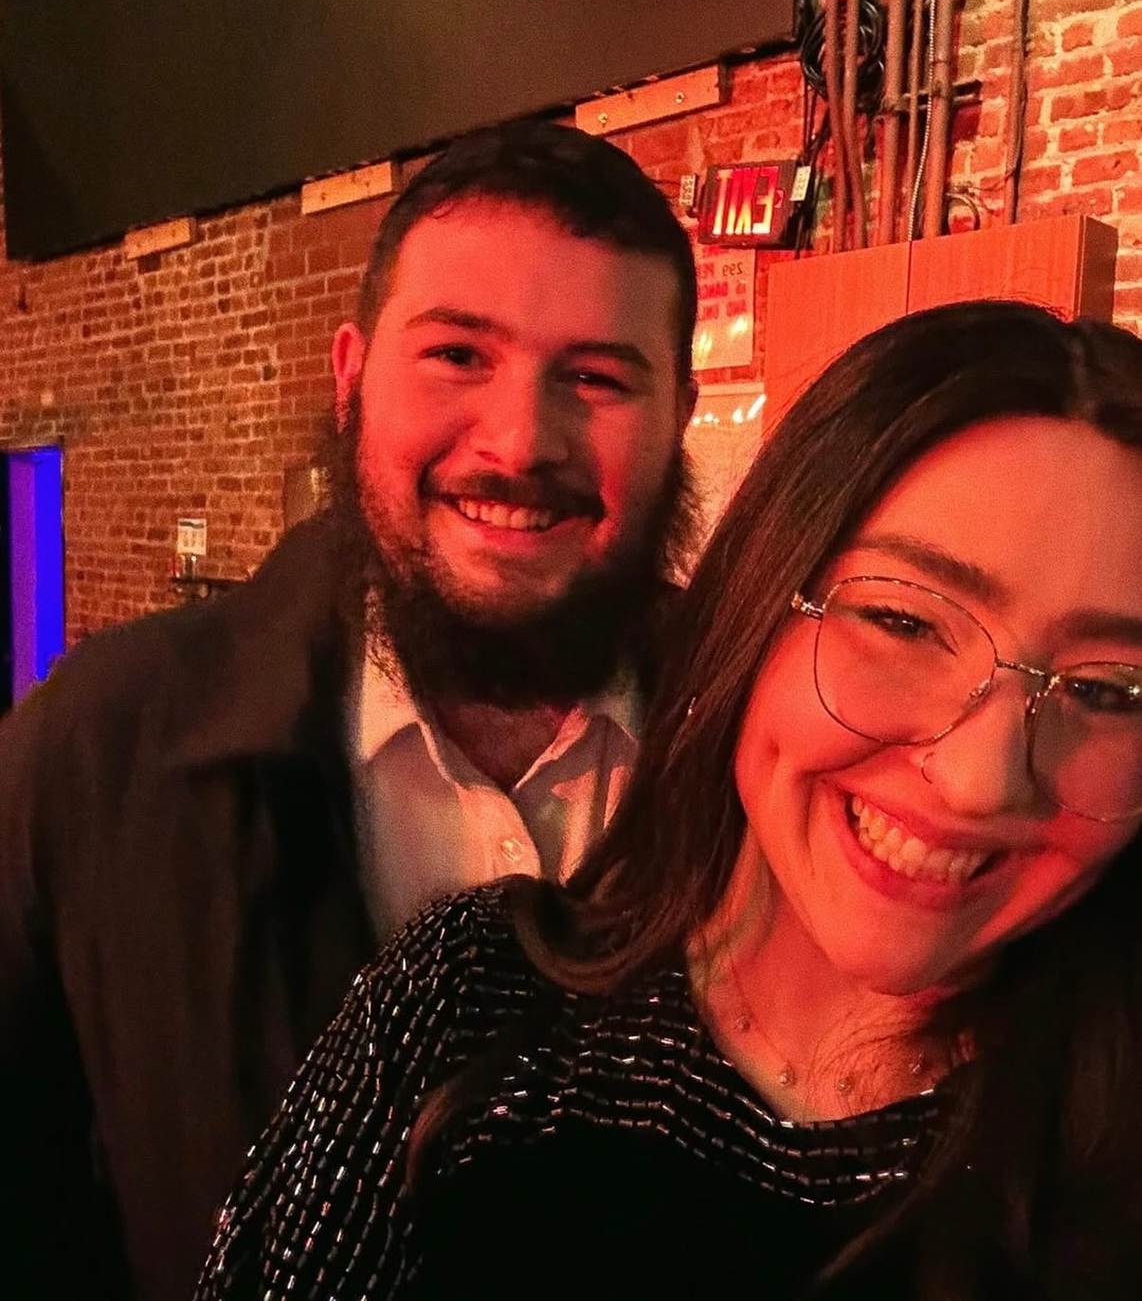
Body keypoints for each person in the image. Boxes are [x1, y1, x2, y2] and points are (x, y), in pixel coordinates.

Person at [197, 299, 1142, 1301]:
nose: (982, 777)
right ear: (755, 604)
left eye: (1109, 690)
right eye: (903, 622)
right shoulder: (464, 1007)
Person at [0, 120, 700, 1300]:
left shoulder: (774, 746)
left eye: (595, 377)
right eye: (457, 355)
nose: (519, 441)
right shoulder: (99, 748)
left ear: (679, 408)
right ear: (350, 375)